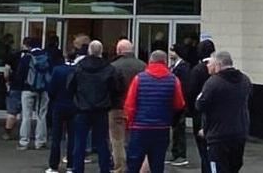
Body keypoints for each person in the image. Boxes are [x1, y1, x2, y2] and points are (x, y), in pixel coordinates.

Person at [124, 50, 186, 173]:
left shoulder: (139, 79)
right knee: (157, 164)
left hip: (140, 127)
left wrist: (130, 123)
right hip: (162, 128)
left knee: (133, 164)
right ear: (165, 62)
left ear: (150, 61)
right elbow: (179, 104)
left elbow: (129, 104)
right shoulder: (173, 80)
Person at [196, 51, 252, 173]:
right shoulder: (245, 80)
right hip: (239, 133)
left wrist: (206, 129)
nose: (207, 66)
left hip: (218, 136)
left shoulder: (213, 83)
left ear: (218, 64)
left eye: (209, 63)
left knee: (217, 168)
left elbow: (200, 105)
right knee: (233, 167)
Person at [67, 40, 118, 173]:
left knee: (79, 142)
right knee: (102, 142)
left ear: (89, 51)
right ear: (101, 51)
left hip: (82, 108)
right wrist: (109, 102)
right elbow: (115, 88)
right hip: (101, 109)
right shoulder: (108, 68)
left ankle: (77, 169)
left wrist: (76, 100)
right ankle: (104, 169)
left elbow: (70, 86)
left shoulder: (79, 67)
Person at [109, 39, 146, 173]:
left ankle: (119, 167)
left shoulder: (113, 66)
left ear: (119, 50)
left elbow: (111, 88)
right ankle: (136, 166)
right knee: (135, 139)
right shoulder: (143, 66)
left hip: (117, 107)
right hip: (137, 108)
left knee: (117, 140)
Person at [16, 37, 51, 150]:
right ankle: (40, 142)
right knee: (42, 115)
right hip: (43, 90)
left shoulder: (26, 58)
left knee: (26, 116)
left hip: (27, 89)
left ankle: (24, 142)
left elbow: (20, 75)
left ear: (29, 46)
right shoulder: (46, 57)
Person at [187, 39, 215, 173]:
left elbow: (191, 91)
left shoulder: (197, 70)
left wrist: (191, 109)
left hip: (200, 113)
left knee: (203, 150)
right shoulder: (218, 69)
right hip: (216, 114)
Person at [46, 51, 77, 173]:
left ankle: (54, 166)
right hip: (74, 106)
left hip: (59, 105)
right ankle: (71, 165)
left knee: (56, 137)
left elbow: (51, 89)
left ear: (65, 57)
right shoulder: (78, 70)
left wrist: (54, 100)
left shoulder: (57, 70)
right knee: (73, 137)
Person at [166, 44, 191, 167]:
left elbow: (184, 87)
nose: (170, 53)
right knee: (176, 129)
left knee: (179, 130)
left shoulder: (183, 68)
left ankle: (180, 155)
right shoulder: (174, 67)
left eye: (172, 51)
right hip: (175, 103)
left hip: (180, 103)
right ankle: (175, 153)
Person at [2, 36, 31, 141]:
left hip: (15, 86)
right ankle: (26, 134)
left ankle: (7, 133)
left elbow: (6, 71)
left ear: (23, 44)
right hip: (29, 87)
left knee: (12, 112)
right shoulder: (33, 57)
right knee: (28, 114)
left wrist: (7, 81)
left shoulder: (14, 55)